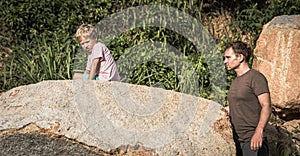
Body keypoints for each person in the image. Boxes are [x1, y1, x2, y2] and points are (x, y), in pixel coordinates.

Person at [223, 41, 271, 156]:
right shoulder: (235, 81)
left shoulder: (255, 77)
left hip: (253, 141)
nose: (225, 61)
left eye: (228, 57)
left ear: (240, 57)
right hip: (236, 141)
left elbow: (267, 105)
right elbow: (235, 106)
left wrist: (259, 132)